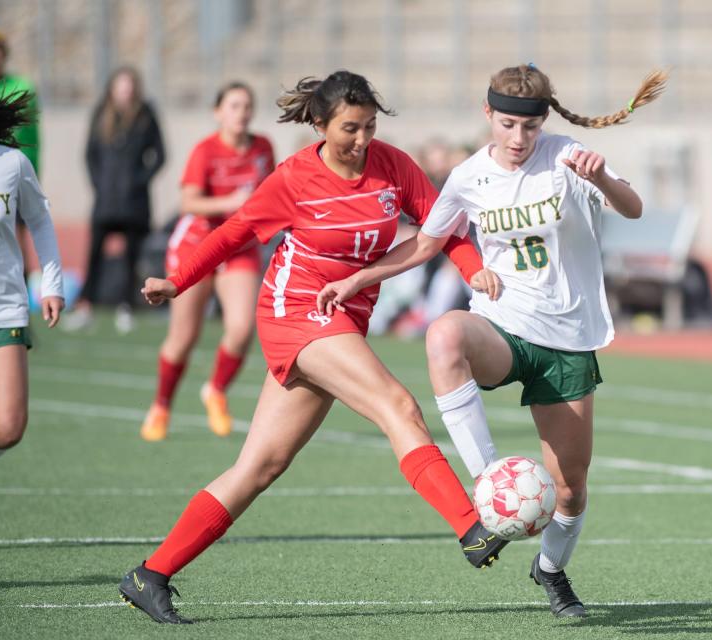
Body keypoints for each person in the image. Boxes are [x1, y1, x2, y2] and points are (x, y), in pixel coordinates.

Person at [117, 70, 508, 624]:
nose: (362, 139)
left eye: (370, 126)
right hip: (296, 312)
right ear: (320, 125)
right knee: (398, 406)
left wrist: (474, 272)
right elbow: (233, 232)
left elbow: (444, 228)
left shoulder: (394, 166)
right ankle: (471, 527)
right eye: (350, 128)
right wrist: (177, 281)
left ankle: (150, 573)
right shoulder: (295, 177)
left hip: (344, 317)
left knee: (261, 465)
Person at [317, 64, 666, 618]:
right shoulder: (468, 176)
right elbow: (426, 244)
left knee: (570, 490)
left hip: (568, 340)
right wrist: (356, 279)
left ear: (543, 122)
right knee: (444, 334)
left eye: (529, 128)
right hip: (502, 325)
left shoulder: (568, 156)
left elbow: (634, 207)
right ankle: (488, 489)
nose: (518, 139)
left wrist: (600, 177)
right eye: (506, 125)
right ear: (489, 116)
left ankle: (551, 570)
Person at [0, 70, 64, 550]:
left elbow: (40, 222)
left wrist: (51, 285)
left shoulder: (12, 163)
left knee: (7, 427)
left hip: (4, 307)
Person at [140, 81, 274, 441]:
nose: (241, 112)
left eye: (247, 105)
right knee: (184, 335)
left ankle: (215, 390)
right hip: (197, 245)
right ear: (218, 112)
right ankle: (161, 405)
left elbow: (270, 195)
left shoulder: (263, 148)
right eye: (234, 105)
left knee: (243, 328)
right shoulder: (205, 151)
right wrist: (229, 202)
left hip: (238, 247)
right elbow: (189, 204)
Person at [64, 67, 165, 334]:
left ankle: (126, 307)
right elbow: (89, 154)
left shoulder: (145, 115)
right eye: (121, 87)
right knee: (94, 254)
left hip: (134, 203)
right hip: (106, 202)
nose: (126, 92)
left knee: (131, 257)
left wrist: (140, 179)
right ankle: (85, 306)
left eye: (130, 86)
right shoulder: (101, 114)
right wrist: (100, 183)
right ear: (112, 89)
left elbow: (160, 154)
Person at [0, 26, 42, 274]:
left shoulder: (21, 87)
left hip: (13, 173)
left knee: (18, 232)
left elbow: (33, 137)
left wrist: (33, 172)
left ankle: (20, 281)